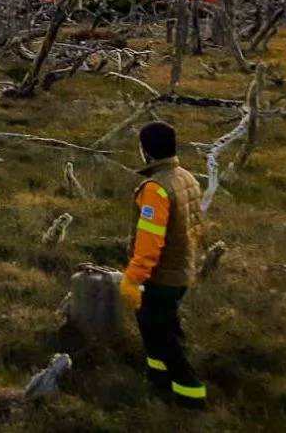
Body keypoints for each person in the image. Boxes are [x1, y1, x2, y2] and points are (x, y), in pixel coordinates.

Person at [119, 120, 208, 408]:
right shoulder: (186, 177)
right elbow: (196, 226)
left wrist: (133, 278)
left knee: (163, 335)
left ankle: (191, 395)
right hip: (182, 269)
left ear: (146, 150)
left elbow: (149, 244)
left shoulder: (156, 189)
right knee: (157, 327)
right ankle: (158, 380)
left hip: (160, 277)